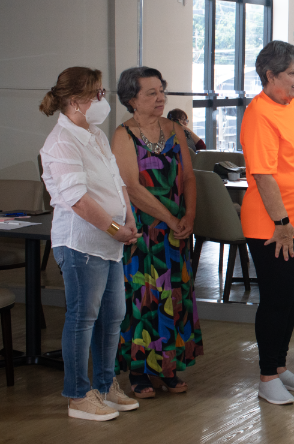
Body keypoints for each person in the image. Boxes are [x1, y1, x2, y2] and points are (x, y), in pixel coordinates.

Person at [40, 67, 140, 421]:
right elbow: (78, 201)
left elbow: (117, 182)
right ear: (75, 101)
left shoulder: (94, 134)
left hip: (109, 243)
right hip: (81, 244)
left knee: (113, 316)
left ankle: (104, 384)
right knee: (83, 318)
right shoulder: (61, 141)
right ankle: (78, 395)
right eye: (96, 93)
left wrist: (129, 219)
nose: (102, 99)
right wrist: (115, 229)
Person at [112, 66, 202, 399]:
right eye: (151, 93)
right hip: (143, 232)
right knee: (145, 298)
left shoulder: (174, 129)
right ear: (132, 99)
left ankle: (167, 367)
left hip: (176, 230)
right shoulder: (124, 134)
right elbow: (132, 188)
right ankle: (140, 370)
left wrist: (188, 215)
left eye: (161, 90)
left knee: (174, 296)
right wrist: (169, 218)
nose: (160, 97)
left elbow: (189, 177)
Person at [240, 41, 294, 405]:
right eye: (291, 73)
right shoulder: (259, 113)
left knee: (290, 300)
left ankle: (280, 365)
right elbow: (263, 174)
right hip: (274, 225)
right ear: (270, 75)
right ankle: (267, 375)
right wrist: (282, 221)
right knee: (275, 300)